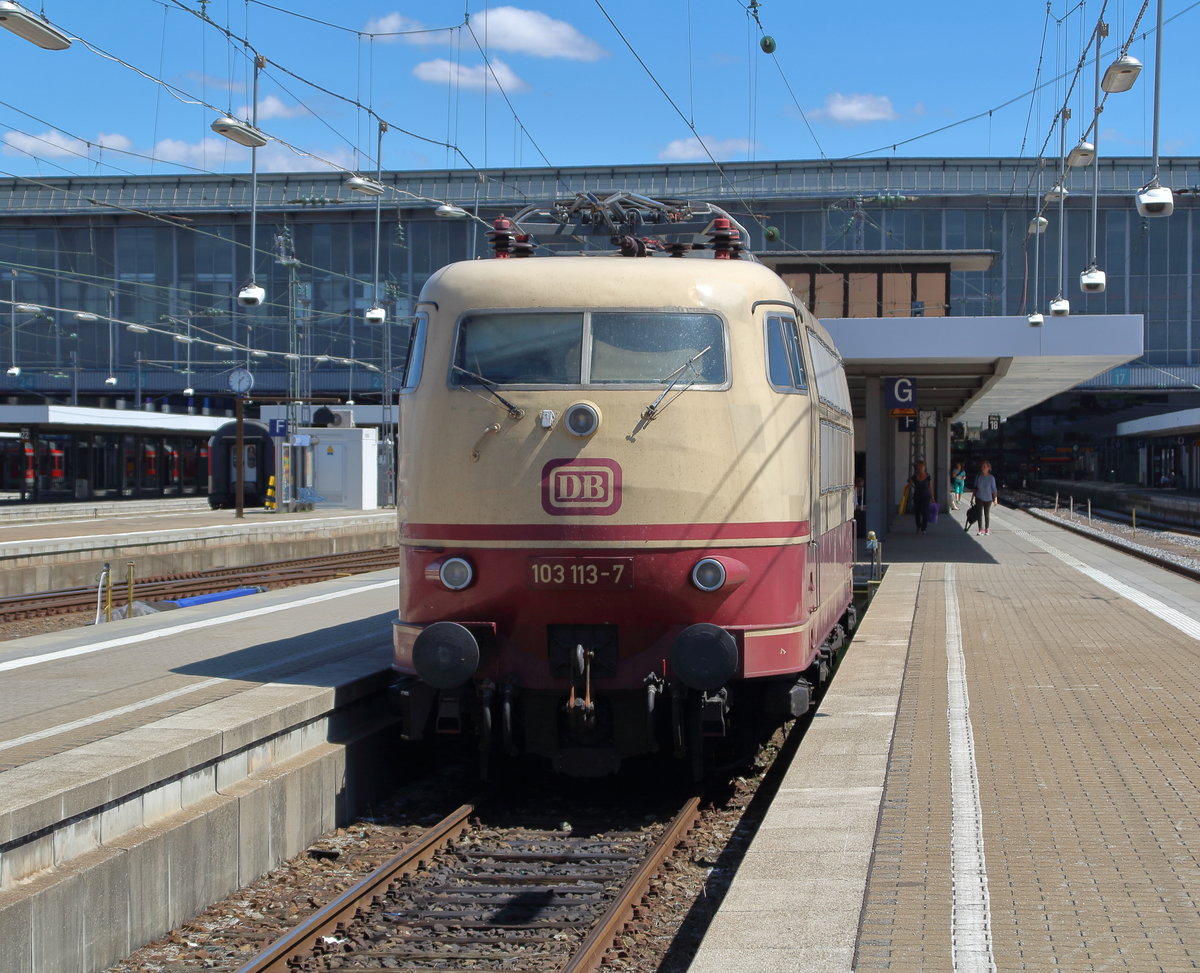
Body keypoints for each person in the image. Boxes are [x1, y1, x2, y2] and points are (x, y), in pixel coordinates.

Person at [970, 460, 999, 535]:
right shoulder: (978, 476)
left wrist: (995, 499)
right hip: (979, 497)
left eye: (985, 467)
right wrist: (972, 498)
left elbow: (994, 489)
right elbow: (975, 488)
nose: (983, 468)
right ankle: (980, 530)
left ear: (988, 468)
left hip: (988, 499)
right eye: (982, 466)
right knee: (979, 514)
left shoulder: (991, 478)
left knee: (987, 514)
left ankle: (987, 529)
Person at [907, 460, 934, 534]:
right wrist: (906, 493)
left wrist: (932, 497)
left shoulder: (928, 476)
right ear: (917, 468)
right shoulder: (914, 477)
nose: (921, 468)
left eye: (922, 466)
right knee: (917, 512)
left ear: (924, 467)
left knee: (926, 512)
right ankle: (918, 526)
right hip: (917, 496)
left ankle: (923, 528)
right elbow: (909, 485)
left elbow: (930, 487)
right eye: (919, 466)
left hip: (926, 496)